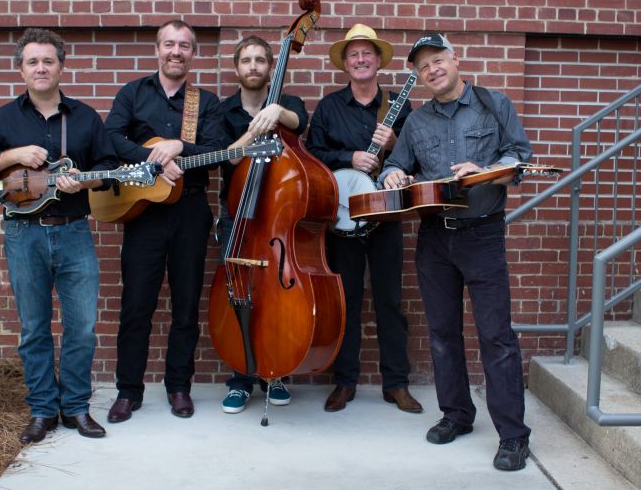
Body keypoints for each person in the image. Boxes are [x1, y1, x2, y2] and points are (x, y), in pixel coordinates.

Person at [379, 32, 533, 471]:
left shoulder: (493, 103)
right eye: (423, 66)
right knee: (443, 334)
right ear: (418, 75)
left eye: (437, 59)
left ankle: (513, 437)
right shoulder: (417, 122)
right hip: (434, 239)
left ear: (455, 59)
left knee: (496, 337)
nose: (432, 69)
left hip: (482, 235)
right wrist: (392, 173)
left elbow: (519, 158)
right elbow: (397, 163)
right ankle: (457, 415)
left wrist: (484, 172)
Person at [0, 28, 117, 444]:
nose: (41, 68)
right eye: (33, 61)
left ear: (61, 67)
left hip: (73, 234)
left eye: (48, 60)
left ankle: (76, 408)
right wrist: (14, 155)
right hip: (23, 235)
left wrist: (84, 183)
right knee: (34, 327)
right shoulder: (4, 119)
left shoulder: (85, 117)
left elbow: (106, 170)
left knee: (81, 328)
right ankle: (43, 410)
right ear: (21, 70)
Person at [105, 20, 226, 423]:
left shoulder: (204, 102)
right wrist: (154, 158)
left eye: (184, 46)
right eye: (169, 44)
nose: (176, 52)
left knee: (186, 306)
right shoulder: (133, 93)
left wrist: (180, 146)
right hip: (144, 214)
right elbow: (111, 139)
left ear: (193, 54)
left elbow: (219, 149)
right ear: (158, 49)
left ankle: (179, 387)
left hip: (190, 211)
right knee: (136, 305)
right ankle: (128, 391)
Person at [305, 24, 422, 414]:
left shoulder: (399, 107)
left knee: (390, 301)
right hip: (343, 217)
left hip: (386, 214)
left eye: (366, 53)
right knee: (346, 302)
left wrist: (395, 147)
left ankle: (397, 384)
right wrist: (349, 159)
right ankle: (345, 382)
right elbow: (312, 154)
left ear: (377, 61)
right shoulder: (328, 107)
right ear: (345, 63)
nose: (360, 60)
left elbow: (417, 157)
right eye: (353, 54)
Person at [217, 35, 308, 414]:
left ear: (271, 67)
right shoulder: (222, 112)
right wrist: (255, 130)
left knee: (273, 298)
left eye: (260, 60)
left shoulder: (289, 103)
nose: (253, 66)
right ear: (237, 68)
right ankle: (240, 376)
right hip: (238, 219)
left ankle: (274, 374)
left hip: (275, 221)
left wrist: (277, 113)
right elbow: (226, 158)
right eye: (246, 60)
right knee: (240, 295)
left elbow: (299, 123)